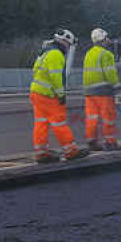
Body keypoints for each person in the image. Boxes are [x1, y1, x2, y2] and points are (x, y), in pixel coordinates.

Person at [30, 28, 88, 163]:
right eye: (68, 45)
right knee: (59, 122)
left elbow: (35, 70)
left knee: (41, 123)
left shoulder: (45, 52)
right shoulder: (56, 54)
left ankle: (41, 153)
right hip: (49, 95)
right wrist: (61, 94)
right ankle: (71, 151)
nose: (68, 48)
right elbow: (56, 77)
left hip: (36, 93)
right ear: (64, 42)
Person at [82, 28, 121, 150]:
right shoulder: (106, 54)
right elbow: (110, 73)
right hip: (104, 92)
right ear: (103, 39)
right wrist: (117, 88)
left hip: (89, 93)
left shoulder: (89, 53)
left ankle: (91, 142)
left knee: (91, 117)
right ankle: (110, 142)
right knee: (108, 117)